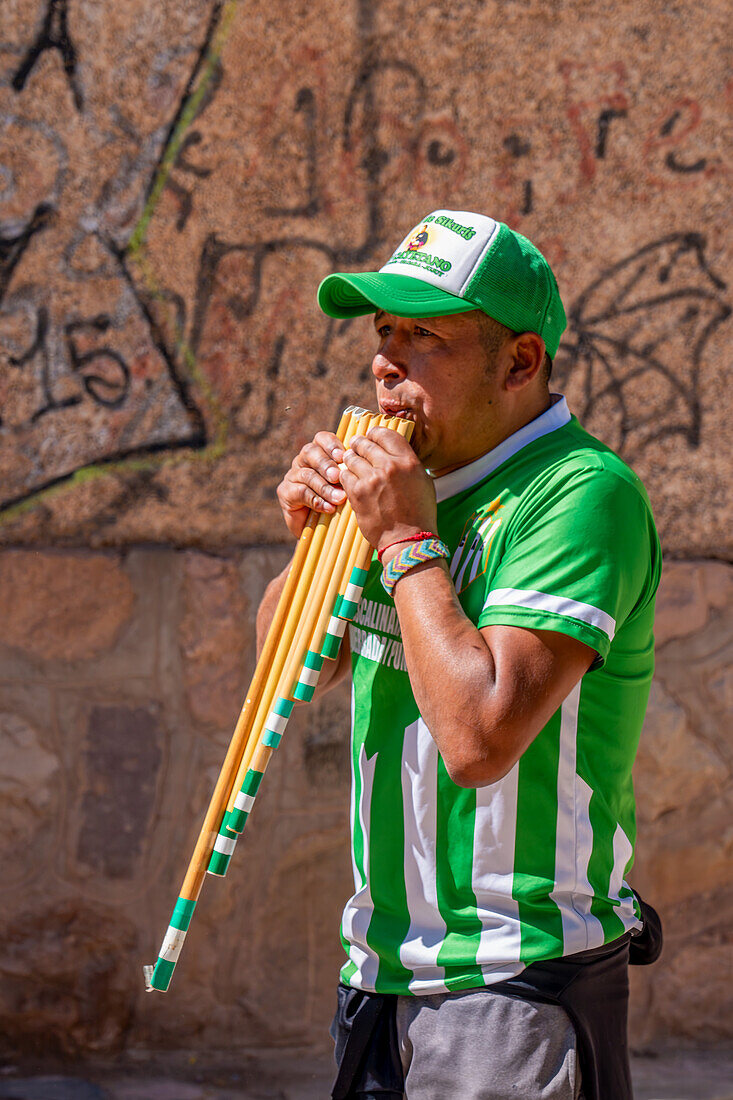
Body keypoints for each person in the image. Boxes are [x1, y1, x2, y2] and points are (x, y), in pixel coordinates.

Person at [257, 211, 662, 1100]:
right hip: (377, 964)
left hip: (511, 978)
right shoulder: (414, 483)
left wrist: (403, 538)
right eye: (383, 333)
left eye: (424, 336)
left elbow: (480, 741)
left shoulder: (581, 494)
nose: (385, 362)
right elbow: (288, 678)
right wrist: (308, 546)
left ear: (519, 363)